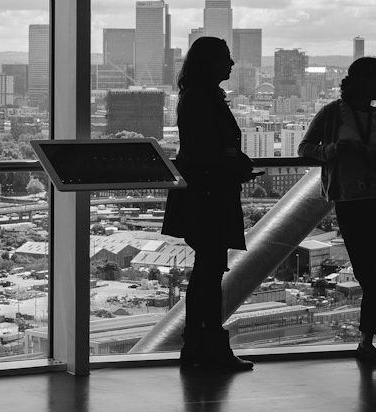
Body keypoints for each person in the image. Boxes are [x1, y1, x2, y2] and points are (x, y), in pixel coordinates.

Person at [297, 57, 376, 361]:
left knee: (373, 274)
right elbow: (305, 148)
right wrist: (332, 150)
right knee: (368, 273)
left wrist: (365, 153)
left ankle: (366, 340)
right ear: (365, 82)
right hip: (356, 200)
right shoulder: (332, 114)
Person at [161, 36, 256, 372]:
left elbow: (200, 150)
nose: (231, 65)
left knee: (206, 272)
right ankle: (209, 346)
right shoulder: (205, 99)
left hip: (200, 193)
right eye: (226, 59)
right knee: (209, 273)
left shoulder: (194, 97)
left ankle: (199, 345)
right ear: (210, 64)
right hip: (210, 195)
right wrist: (234, 164)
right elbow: (210, 151)